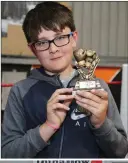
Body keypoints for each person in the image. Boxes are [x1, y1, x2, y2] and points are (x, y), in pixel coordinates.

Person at [1, 1, 128, 158]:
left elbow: (121, 150)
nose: (53, 49)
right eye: (42, 42)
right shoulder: (20, 91)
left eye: (60, 37)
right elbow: (6, 154)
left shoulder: (98, 87)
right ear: (33, 49)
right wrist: (48, 127)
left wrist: (101, 123)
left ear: (74, 38)